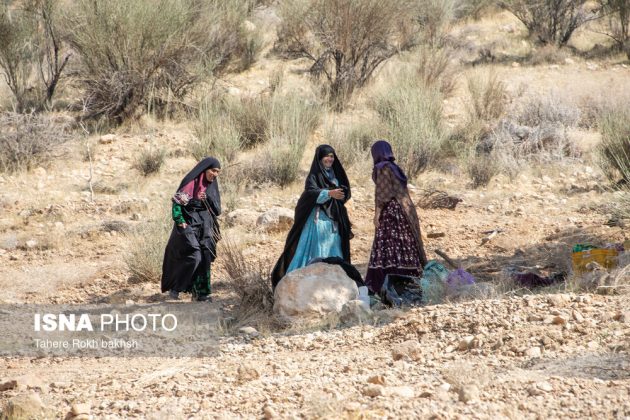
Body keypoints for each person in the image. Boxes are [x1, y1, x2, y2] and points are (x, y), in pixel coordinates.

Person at [271, 145, 353, 289]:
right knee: (316, 251)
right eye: (326, 156)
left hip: (333, 222)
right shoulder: (315, 175)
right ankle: (307, 287)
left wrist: (341, 194)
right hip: (317, 222)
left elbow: (345, 192)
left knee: (334, 250)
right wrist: (329, 193)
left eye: (332, 156)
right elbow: (310, 193)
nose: (330, 159)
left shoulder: (336, 174)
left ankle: (334, 286)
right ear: (320, 158)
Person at [365, 140, 428, 295]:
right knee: (405, 243)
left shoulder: (382, 168)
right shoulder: (394, 167)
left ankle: (385, 284)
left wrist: (377, 213)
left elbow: (383, 194)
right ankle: (411, 280)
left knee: (388, 245)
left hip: (391, 211)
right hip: (405, 210)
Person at [161, 157, 221, 302]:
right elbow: (177, 205)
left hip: (206, 226)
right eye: (213, 170)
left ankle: (201, 293)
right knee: (194, 255)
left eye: (218, 172)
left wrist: (205, 198)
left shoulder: (211, 186)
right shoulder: (191, 182)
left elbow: (217, 209)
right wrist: (180, 221)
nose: (215, 174)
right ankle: (176, 288)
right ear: (205, 169)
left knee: (205, 257)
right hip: (189, 224)